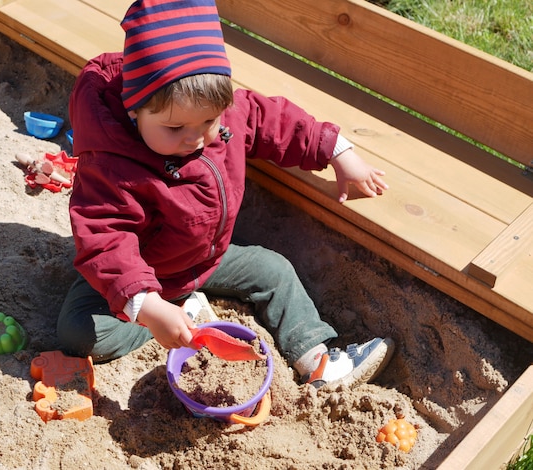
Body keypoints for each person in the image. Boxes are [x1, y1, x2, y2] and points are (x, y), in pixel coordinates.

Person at [57, 0, 394, 389]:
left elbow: (275, 122)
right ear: (135, 112)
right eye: (175, 127)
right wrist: (149, 308)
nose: (196, 137)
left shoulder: (223, 115)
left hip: (206, 259)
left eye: (209, 121)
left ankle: (317, 360)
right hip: (145, 272)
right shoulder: (111, 162)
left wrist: (336, 151)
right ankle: (182, 314)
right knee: (79, 335)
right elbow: (105, 237)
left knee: (274, 269)